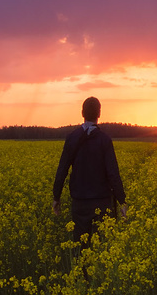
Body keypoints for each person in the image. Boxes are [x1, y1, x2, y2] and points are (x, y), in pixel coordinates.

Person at [52, 96, 127, 247]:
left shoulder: (72, 138)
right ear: (99, 114)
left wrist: (56, 197)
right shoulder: (104, 140)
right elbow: (113, 173)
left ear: (82, 113)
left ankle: (82, 271)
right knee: (102, 248)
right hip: (102, 203)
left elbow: (62, 170)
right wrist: (122, 201)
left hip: (80, 204)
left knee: (81, 247)